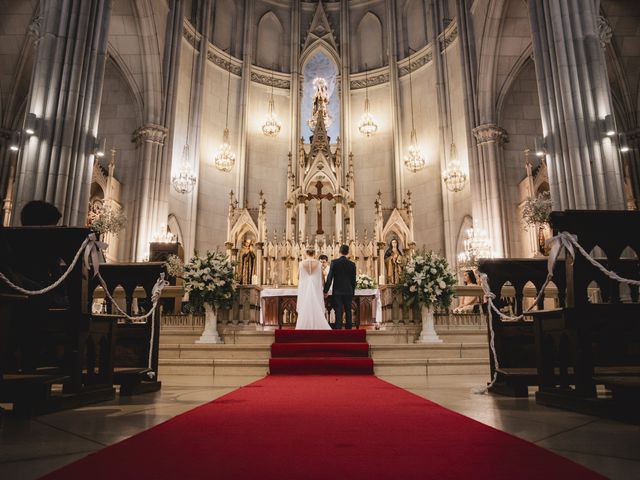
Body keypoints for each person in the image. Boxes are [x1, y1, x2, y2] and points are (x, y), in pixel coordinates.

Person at [295, 247, 331, 330]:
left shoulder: (301, 263)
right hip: (315, 289)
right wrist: (324, 290)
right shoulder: (319, 264)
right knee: (316, 306)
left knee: (305, 306)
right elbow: (322, 278)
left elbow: (298, 277)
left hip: (305, 289)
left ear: (306, 253)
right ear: (314, 254)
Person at [323, 244, 356, 330]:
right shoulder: (352, 264)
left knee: (338, 310)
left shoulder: (334, 262)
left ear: (339, 252)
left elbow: (330, 278)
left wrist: (325, 290)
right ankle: (349, 328)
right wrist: (352, 291)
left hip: (338, 291)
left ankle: (338, 327)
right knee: (348, 310)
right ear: (348, 252)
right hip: (348, 290)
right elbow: (353, 280)